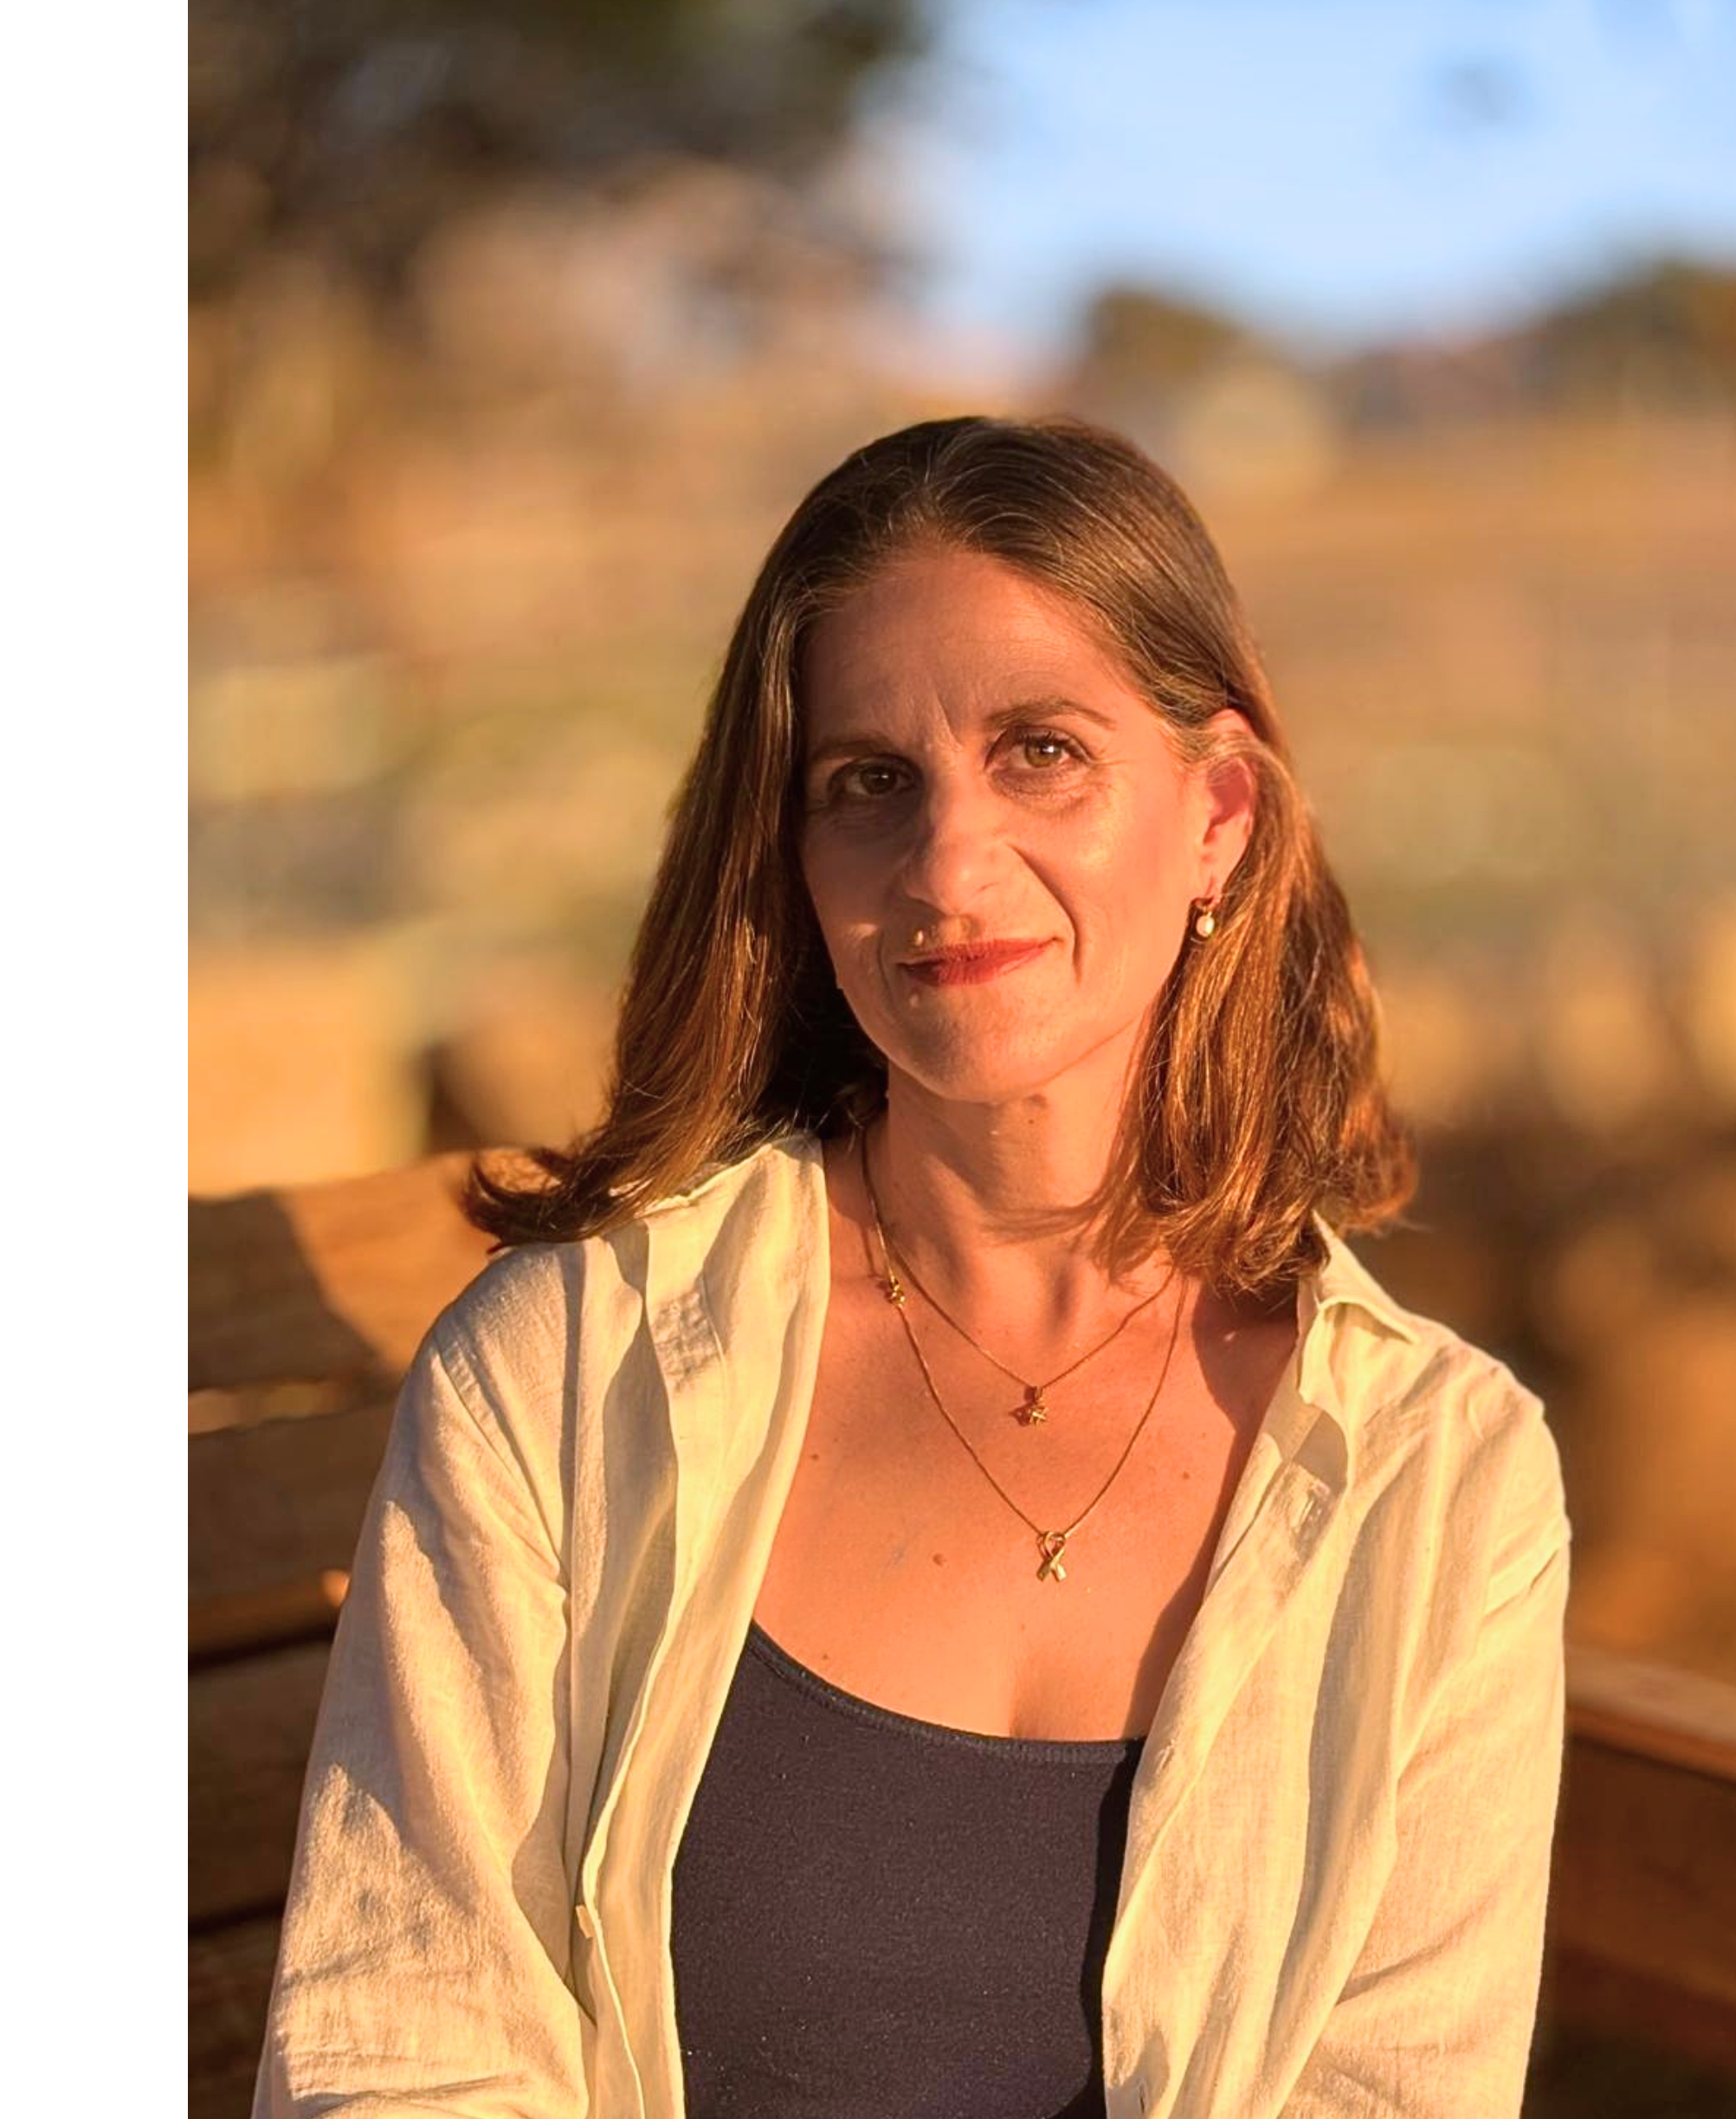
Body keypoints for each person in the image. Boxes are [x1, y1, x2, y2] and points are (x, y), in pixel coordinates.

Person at [253, 414, 1572, 2119]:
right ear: (794, 860)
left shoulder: (1440, 1478)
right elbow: (401, 2045)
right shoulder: (565, 1375)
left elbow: (1392, 2091)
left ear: (1220, 816)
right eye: (869, 782)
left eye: (1042, 752)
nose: (948, 864)